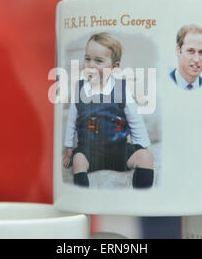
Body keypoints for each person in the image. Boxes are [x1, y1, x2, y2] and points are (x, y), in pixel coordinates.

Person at [63, 32, 154, 189]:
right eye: (87, 58)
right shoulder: (79, 90)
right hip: (89, 152)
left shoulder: (122, 90)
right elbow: (72, 121)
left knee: (146, 157)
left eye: (98, 61)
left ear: (114, 67)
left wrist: (143, 146)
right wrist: (69, 149)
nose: (90, 64)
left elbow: (135, 120)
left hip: (119, 151)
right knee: (78, 161)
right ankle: (84, 198)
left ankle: (142, 197)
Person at [170, 24, 202, 90]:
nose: (196, 59)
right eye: (190, 51)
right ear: (178, 50)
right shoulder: (160, 84)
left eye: (201, 52)